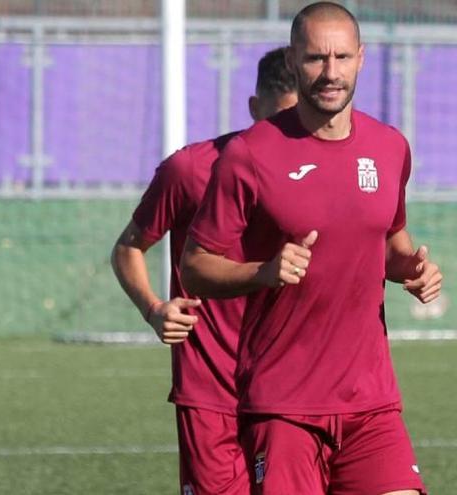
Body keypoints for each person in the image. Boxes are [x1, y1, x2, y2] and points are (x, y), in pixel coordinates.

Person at [181, 3, 441, 494]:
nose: (330, 72)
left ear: (361, 59)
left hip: (371, 399)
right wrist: (263, 272)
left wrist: (411, 269)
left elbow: (388, 241)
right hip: (284, 403)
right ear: (295, 59)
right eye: (316, 58)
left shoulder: (389, 147)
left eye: (342, 57)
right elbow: (194, 267)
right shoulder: (248, 155)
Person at [111, 47, 297, 495]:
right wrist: (154, 308)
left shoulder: (321, 174)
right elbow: (128, 248)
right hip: (210, 388)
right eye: (277, 122)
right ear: (254, 109)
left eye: (298, 123)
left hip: (293, 385)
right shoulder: (190, 170)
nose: (288, 137)